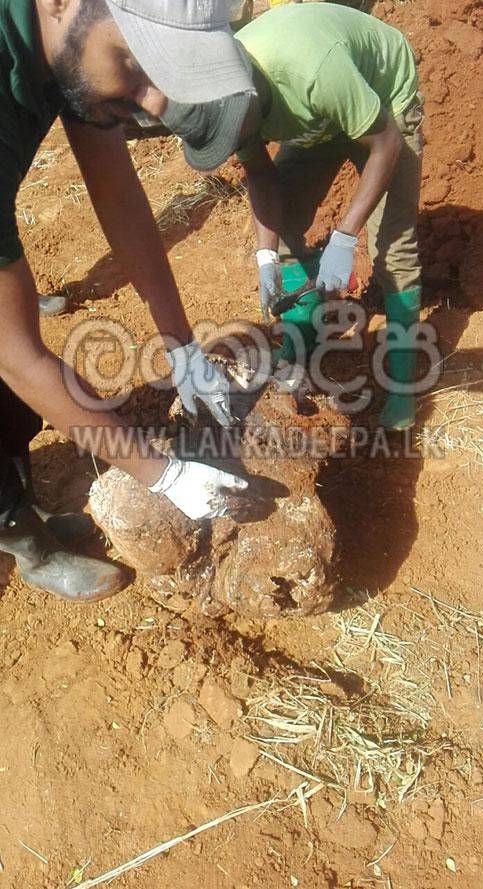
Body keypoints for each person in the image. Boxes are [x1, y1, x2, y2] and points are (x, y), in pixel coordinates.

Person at [0, 0, 254, 603]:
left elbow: (115, 190)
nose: (156, 103)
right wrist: (162, 475)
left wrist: (182, 347)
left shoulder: (74, 46)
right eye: (137, 65)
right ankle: (19, 537)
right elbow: (16, 354)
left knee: (12, 407)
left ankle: (21, 510)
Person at [160, 2, 424, 431]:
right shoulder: (225, 98)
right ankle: (304, 334)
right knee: (281, 230)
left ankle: (403, 386)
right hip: (317, 116)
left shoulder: (313, 72)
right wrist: (267, 256)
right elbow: (261, 176)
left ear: (251, 106)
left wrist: (345, 237)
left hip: (381, 102)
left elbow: (386, 143)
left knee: (393, 251)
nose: (236, 142)